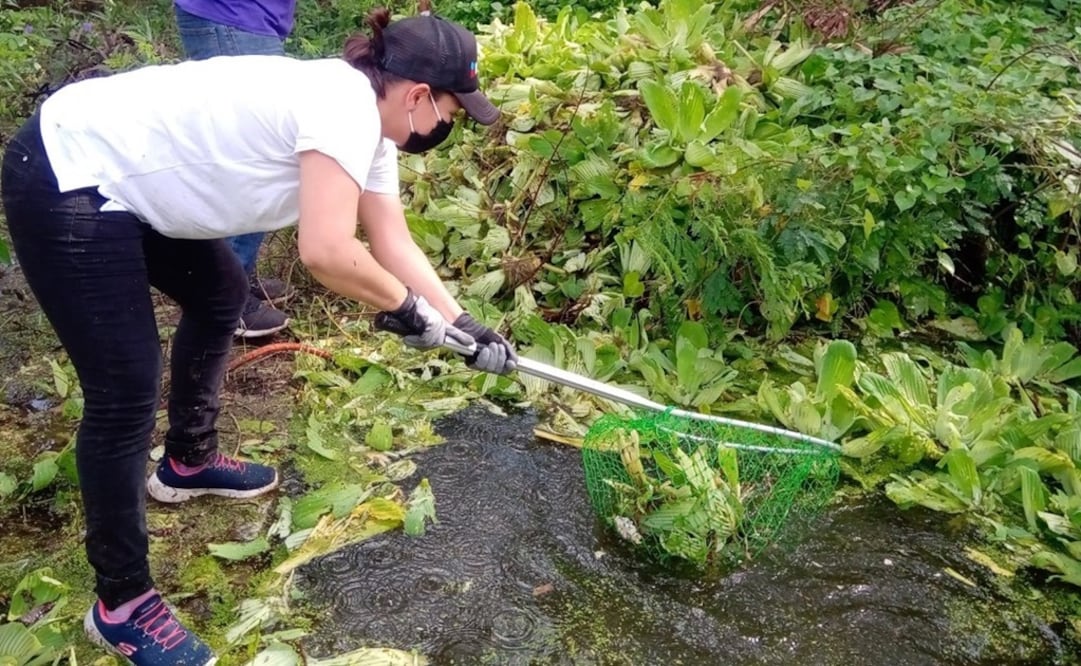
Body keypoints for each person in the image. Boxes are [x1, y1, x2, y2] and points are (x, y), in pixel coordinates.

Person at [1, 8, 517, 665]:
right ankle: (121, 604)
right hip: (68, 169)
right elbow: (327, 251)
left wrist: (460, 323)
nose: (449, 125)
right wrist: (407, 309)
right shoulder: (342, 107)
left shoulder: (374, 134)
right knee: (125, 390)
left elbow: (391, 240)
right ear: (418, 96)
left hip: (129, 186)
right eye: (451, 110)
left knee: (220, 295)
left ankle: (186, 463)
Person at [173, 0, 299, 338]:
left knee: (251, 148)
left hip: (242, 18)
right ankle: (226, 294)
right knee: (257, 154)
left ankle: (236, 275)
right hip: (233, 18)